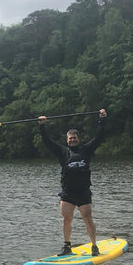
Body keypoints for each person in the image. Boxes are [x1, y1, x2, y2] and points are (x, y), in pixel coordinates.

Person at [38, 109, 108, 256]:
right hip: (68, 193)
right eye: (70, 138)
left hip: (83, 192)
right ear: (67, 140)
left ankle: (94, 246)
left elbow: (99, 137)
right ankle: (67, 246)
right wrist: (42, 126)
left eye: (74, 138)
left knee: (88, 219)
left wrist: (102, 120)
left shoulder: (86, 150)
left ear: (78, 139)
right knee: (66, 220)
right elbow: (47, 142)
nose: (72, 140)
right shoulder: (62, 152)